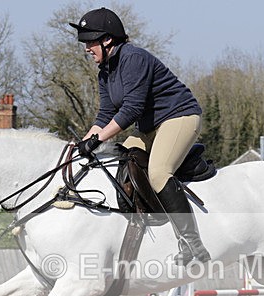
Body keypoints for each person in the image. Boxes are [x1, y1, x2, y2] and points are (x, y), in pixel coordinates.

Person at [70, 7, 210, 265]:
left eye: (90, 41)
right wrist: (83, 142)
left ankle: (193, 245)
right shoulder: (105, 70)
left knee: (158, 173)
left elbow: (131, 110)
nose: (86, 48)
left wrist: (98, 140)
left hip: (179, 116)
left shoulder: (133, 59)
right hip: (151, 126)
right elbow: (105, 116)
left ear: (107, 39)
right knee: (120, 161)